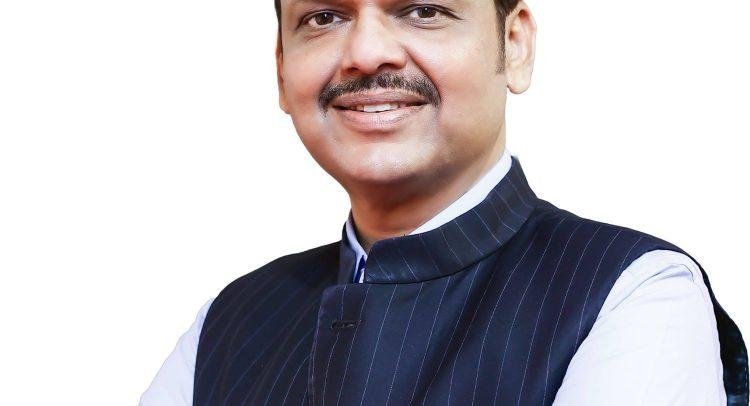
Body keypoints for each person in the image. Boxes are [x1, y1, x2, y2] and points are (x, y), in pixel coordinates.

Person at [141, 0, 748, 404]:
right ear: (281, 70)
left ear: (514, 45)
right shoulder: (230, 322)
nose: (365, 53)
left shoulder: (631, 292)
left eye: (423, 10)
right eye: (324, 17)